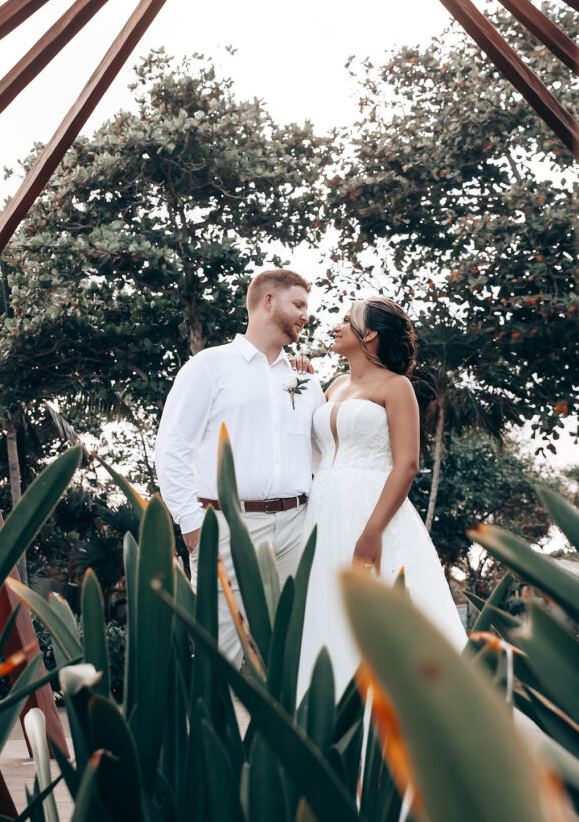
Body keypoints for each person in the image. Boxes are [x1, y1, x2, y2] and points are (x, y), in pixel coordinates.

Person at [298, 296, 468, 702]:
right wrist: (301, 377)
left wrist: (372, 531)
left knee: (380, 613)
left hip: (374, 512)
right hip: (323, 509)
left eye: (345, 320)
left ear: (369, 333)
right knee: (326, 611)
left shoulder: (397, 387)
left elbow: (407, 464)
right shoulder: (335, 385)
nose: (335, 326)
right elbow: (314, 450)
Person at [155, 269, 325, 665]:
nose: (305, 315)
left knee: (292, 653)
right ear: (268, 301)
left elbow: (322, 454)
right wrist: (192, 525)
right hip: (228, 526)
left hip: (298, 528)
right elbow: (172, 446)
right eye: (298, 304)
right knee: (221, 655)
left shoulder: (304, 380)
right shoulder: (209, 367)